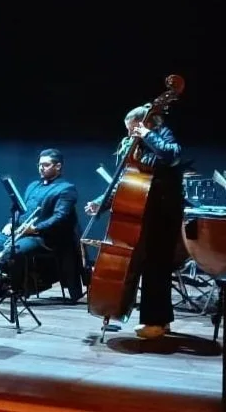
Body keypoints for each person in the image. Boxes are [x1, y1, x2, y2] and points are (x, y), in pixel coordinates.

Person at [85, 104, 184, 338]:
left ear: (145, 123)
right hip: (143, 213)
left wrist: (147, 134)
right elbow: (125, 181)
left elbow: (172, 155)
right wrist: (101, 202)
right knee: (148, 266)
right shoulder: (136, 146)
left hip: (163, 213)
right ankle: (158, 319)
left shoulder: (162, 135)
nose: (129, 134)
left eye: (132, 128)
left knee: (156, 266)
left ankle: (155, 323)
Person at [0, 149, 80, 299]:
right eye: (39, 165)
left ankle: (18, 288)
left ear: (58, 166)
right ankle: (21, 280)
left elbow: (60, 217)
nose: (41, 168)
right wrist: (11, 223)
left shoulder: (66, 188)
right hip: (22, 231)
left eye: (46, 165)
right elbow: (21, 209)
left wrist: (35, 228)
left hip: (43, 237)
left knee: (13, 252)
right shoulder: (33, 186)